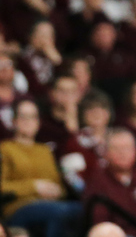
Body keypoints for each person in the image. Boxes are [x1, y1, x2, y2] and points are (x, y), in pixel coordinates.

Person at [0, 100, 81, 237]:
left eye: (33, 117)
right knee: (59, 212)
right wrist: (34, 186)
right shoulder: (5, 149)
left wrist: (57, 191)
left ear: (38, 122)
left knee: (80, 209)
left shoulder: (45, 151)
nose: (28, 121)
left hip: (52, 205)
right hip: (18, 208)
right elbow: (2, 186)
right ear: (14, 121)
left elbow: (59, 185)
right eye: (23, 116)